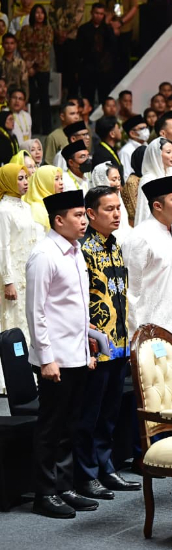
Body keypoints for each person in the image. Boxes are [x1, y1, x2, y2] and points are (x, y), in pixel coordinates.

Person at [26, 190, 97, 518]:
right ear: (58, 220)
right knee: (51, 426)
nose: (84, 221)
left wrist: (87, 347)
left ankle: (65, 486)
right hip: (55, 358)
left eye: (84, 215)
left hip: (77, 353)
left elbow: (77, 306)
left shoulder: (75, 250)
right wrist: (46, 358)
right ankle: (44, 492)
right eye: (78, 216)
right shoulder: (45, 254)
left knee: (70, 424)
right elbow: (36, 311)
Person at [73, 186, 139, 503]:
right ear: (90, 213)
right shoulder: (84, 250)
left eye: (118, 209)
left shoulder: (115, 246)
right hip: (96, 345)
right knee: (90, 412)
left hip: (119, 342)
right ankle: (85, 474)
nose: (116, 214)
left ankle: (105, 466)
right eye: (109, 209)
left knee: (110, 411)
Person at [123, 175, 172, 345]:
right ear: (157, 206)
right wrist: (134, 338)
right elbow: (130, 292)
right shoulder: (139, 238)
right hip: (149, 332)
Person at [1, 162, 41, 345]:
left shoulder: (25, 207)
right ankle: (13, 369)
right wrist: (8, 281)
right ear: (8, 181)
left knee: (29, 318)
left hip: (29, 271)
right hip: (14, 276)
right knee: (14, 320)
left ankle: (31, 367)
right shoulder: (3, 210)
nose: (25, 182)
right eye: (20, 178)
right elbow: (3, 246)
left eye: (26, 177)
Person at [17, 5, 52, 134]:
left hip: (42, 67)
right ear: (33, 15)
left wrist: (33, 64)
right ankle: (33, 127)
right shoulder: (26, 29)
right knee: (31, 97)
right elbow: (21, 46)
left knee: (44, 98)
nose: (39, 15)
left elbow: (46, 48)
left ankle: (47, 128)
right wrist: (28, 64)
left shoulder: (48, 29)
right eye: (37, 13)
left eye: (42, 13)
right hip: (28, 68)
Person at [76, 3, 116, 104]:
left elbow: (113, 46)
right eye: (96, 13)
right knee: (87, 100)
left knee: (104, 100)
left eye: (101, 14)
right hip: (88, 69)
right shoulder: (83, 29)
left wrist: (107, 26)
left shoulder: (107, 29)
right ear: (91, 13)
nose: (99, 16)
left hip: (104, 69)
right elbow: (79, 51)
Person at [134, 137, 172, 225]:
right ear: (157, 154)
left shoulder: (170, 175)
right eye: (168, 152)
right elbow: (144, 209)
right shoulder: (148, 179)